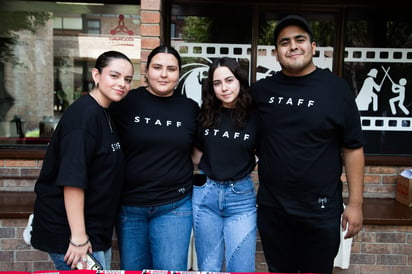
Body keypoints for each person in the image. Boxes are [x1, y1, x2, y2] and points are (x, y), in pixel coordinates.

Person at [251, 15, 365, 274]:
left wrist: (356, 203)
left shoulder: (337, 90)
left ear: (313, 47)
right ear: (276, 53)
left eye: (299, 39)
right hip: (274, 209)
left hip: (321, 210)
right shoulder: (261, 92)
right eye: (284, 42)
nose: (292, 46)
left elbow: (353, 148)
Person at [31, 50, 134, 270]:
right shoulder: (83, 117)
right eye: (114, 76)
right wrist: (78, 237)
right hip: (72, 235)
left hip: (95, 229)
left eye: (127, 79)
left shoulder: (105, 112)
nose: (122, 84)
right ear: (96, 75)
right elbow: (72, 180)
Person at [110, 45, 199, 271]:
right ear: (147, 71)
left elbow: (198, 152)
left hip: (174, 207)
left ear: (178, 74)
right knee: (133, 270)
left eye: (171, 69)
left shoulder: (189, 109)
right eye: (157, 67)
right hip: (130, 207)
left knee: (169, 269)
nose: (163, 74)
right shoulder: (125, 103)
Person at [191, 57, 258, 272]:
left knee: (241, 267)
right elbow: (197, 153)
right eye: (217, 83)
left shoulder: (256, 116)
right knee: (208, 266)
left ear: (239, 80)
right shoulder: (206, 113)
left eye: (229, 80)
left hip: (241, 197)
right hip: (205, 195)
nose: (224, 88)